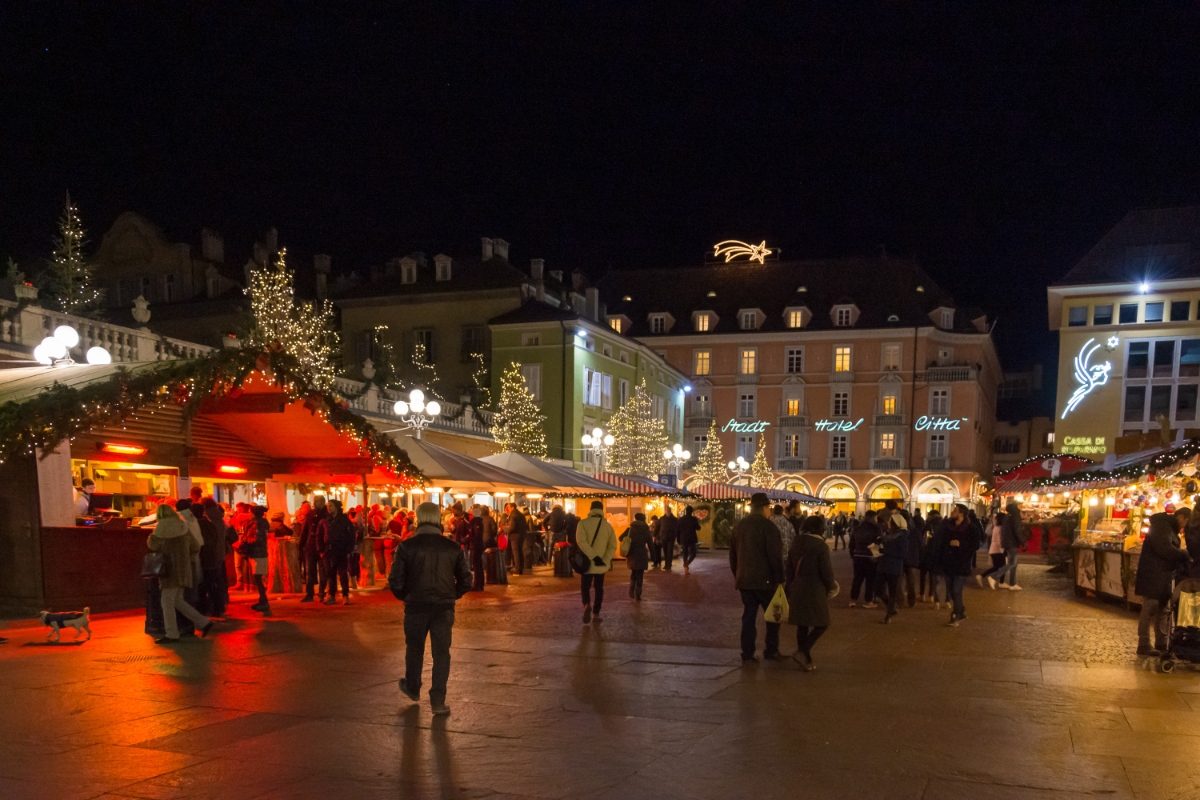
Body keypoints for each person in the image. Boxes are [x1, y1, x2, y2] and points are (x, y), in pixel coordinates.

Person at [389, 502, 472, 716]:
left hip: (416, 605)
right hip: (443, 607)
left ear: (418, 518)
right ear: (438, 519)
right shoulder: (452, 547)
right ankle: (438, 700)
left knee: (414, 648)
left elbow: (395, 580)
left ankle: (413, 687)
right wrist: (453, 594)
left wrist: (406, 595)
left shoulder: (407, 546)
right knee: (441, 653)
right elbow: (466, 580)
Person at [730, 492, 785, 662]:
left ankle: (747, 653)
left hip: (745, 579)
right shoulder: (768, 527)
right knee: (773, 617)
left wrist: (738, 574)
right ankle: (771, 650)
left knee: (748, 617)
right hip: (766, 580)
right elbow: (775, 556)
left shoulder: (740, 526)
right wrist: (780, 578)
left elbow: (733, 555)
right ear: (764, 507)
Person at [146, 504, 213, 644]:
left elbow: (153, 546)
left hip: (169, 570)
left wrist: (151, 536)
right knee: (178, 601)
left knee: (166, 602)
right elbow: (195, 546)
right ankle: (203, 622)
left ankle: (172, 634)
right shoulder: (183, 526)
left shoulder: (161, 527)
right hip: (183, 569)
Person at [1134, 511, 1190, 656]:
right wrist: (1183, 554)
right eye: (1186, 522)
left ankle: (1161, 642)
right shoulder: (1161, 526)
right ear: (1181, 517)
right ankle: (1144, 644)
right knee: (1150, 607)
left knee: (1162, 609)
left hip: (1161, 575)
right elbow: (1164, 549)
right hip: (1153, 574)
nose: (1185, 527)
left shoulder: (1168, 529)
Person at [786, 515, 836, 671]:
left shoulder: (796, 542)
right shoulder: (820, 546)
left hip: (798, 586)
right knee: (822, 623)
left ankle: (806, 658)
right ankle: (802, 651)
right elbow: (826, 571)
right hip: (815, 588)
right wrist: (831, 586)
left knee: (803, 624)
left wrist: (790, 585)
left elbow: (789, 567)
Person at [933, 503, 979, 626]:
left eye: (955, 510)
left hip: (962, 564)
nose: (952, 512)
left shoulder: (970, 528)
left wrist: (961, 545)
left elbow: (975, 545)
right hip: (949, 563)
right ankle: (961, 611)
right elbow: (941, 542)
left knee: (956, 590)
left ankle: (956, 616)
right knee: (952, 592)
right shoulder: (948, 526)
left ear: (961, 513)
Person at [575, 501, 616, 622]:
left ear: (591, 509)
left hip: (587, 563)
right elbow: (612, 545)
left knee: (585, 586)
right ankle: (596, 613)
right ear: (601, 510)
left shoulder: (582, 523)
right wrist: (604, 559)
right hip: (600, 564)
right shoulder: (607, 526)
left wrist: (593, 556)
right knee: (599, 588)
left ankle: (586, 604)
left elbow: (581, 542)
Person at [874, 513, 908, 623]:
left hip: (894, 566)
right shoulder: (888, 533)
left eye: (891, 521)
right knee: (878, 589)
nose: (888, 523)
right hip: (883, 564)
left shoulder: (903, 536)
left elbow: (903, 553)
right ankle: (891, 608)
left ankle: (888, 615)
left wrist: (885, 551)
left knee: (892, 591)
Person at [197, 498, 227, 616]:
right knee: (217, 580)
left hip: (211, 553)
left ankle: (215, 607)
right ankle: (219, 606)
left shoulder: (208, 519)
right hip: (219, 551)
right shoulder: (219, 517)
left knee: (211, 582)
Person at [324, 499, 356, 605]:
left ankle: (345, 595)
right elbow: (322, 534)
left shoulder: (344, 520)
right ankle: (331, 595)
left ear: (337, 507)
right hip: (329, 551)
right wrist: (322, 549)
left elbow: (351, 535)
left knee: (342, 574)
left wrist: (349, 549)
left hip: (341, 550)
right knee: (331, 574)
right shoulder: (327, 520)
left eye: (331, 506)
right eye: (328, 506)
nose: (329, 508)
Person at [987, 501, 1025, 590]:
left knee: (1014, 564)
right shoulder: (1015, 517)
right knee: (1012, 563)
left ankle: (1013, 584)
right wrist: (1023, 541)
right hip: (1012, 543)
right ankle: (994, 577)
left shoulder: (1007, 517)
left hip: (1007, 542)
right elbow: (1017, 530)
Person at [300, 496, 330, 602]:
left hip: (321, 546)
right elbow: (305, 530)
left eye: (320, 501)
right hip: (311, 546)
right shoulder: (311, 514)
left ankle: (321, 592)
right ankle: (310, 593)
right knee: (310, 571)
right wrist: (302, 544)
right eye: (316, 501)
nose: (318, 503)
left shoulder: (327, 514)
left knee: (322, 570)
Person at [848, 510, 881, 609]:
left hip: (858, 556)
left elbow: (851, 544)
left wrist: (853, 555)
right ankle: (868, 601)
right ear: (872, 517)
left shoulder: (858, 528)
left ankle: (853, 600)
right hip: (870, 556)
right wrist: (877, 556)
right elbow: (878, 542)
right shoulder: (875, 528)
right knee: (870, 580)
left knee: (857, 579)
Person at [242, 505, 271, 614]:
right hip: (261, 553)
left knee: (258, 578)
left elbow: (256, 538)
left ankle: (264, 602)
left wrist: (245, 543)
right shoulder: (263, 522)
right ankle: (262, 600)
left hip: (257, 554)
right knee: (259, 578)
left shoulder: (257, 523)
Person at [619, 512, 652, 600]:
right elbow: (650, 544)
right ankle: (638, 594)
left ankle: (631, 590)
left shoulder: (630, 529)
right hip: (642, 554)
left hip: (632, 553)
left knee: (633, 572)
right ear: (643, 519)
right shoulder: (646, 530)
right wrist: (654, 556)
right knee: (640, 574)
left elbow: (620, 538)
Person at [920, 509, 944, 606]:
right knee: (932, 576)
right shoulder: (942, 526)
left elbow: (923, 539)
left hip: (926, 553)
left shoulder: (928, 525)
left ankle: (922, 594)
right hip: (936, 554)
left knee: (923, 574)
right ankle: (931, 595)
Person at [506, 501, 531, 575]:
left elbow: (512, 527)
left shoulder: (513, 515)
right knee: (520, 552)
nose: (508, 509)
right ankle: (521, 567)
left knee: (516, 552)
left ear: (512, 507)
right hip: (521, 535)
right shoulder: (520, 514)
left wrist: (505, 529)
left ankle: (517, 568)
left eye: (508, 507)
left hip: (514, 536)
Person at [983, 511, 1007, 589]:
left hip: (995, 549)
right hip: (998, 550)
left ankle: (1000, 582)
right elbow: (999, 540)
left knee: (998, 567)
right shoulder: (1000, 528)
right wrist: (1002, 550)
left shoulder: (996, 527)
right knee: (1001, 567)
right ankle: (994, 579)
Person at [678, 505, 701, 574]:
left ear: (685, 511)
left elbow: (678, 530)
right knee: (693, 553)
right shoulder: (694, 519)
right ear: (691, 512)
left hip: (683, 538)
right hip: (692, 538)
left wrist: (678, 539)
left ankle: (686, 568)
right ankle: (687, 563)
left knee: (685, 553)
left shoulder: (681, 519)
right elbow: (698, 528)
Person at [659, 506, 679, 571]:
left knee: (669, 551)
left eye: (668, 510)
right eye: (666, 510)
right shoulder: (662, 518)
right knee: (665, 551)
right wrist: (656, 535)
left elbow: (677, 529)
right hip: (664, 537)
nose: (667, 511)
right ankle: (666, 564)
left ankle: (669, 564)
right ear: (665, 511)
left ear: (670, 511)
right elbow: (658, 527)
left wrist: (676, 536)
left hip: (671, 537)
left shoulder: (675, 519)